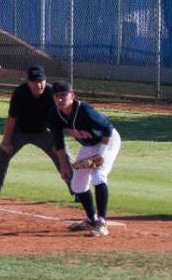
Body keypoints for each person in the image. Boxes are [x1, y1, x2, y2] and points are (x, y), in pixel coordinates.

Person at [0, 65, 71, 204]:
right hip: (20, 131)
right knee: (1, 156)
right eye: (34, 81)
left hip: (44, 131)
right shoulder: (20, 93)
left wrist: (58, 144)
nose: (38, 85)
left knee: (63, 156)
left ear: (46, 80)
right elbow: (12, 118)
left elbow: (57, 120)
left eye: (41, 81)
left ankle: (78, 191)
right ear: (28, 82)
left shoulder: (52, 94)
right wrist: (6, 141)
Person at [47, 82, 121, 237]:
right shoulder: (54, 114)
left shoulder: (84, 111)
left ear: (72, 96)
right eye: (56, 96)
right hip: (89, 146)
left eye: (63, 95)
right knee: (77, 183)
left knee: (98, 175)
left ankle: (101, 222)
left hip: (107, 141)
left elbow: (107, 127)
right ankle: (91, 219)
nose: (60, 99)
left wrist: (100, 153)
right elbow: (58, 142)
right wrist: (64, 165)